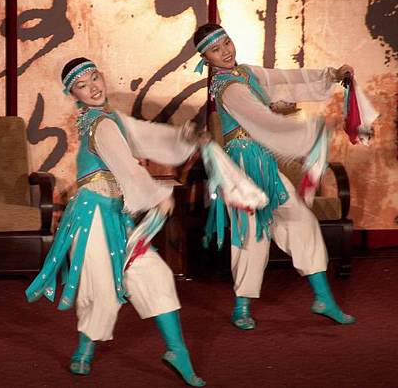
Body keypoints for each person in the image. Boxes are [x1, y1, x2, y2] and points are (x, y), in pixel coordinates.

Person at [25, 57, 207, 386]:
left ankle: (176, 350)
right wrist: (157, 195)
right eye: (82, 86)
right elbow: (125, 165)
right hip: (91, 216)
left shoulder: (112, 118)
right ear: (73, 94)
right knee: (102, 288)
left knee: (154, 275)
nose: (93, 87)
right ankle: (84, 350)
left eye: (94, 78)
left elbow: (146, 135)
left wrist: (184, 137)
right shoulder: (99, 123)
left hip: (115, 214)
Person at [194, 23, 356, 330]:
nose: (225, 51)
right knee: (251, 235)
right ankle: (241, 308)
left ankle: (323, 298)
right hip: (242, 169)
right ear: (206, 59)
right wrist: (312, 132)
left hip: (265, 164)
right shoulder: (227, 87)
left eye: (226, 42)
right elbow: (263, 121)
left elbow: (285, 78)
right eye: (216, 49)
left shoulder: (245, 73)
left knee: (301, 221)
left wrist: (332, 75)